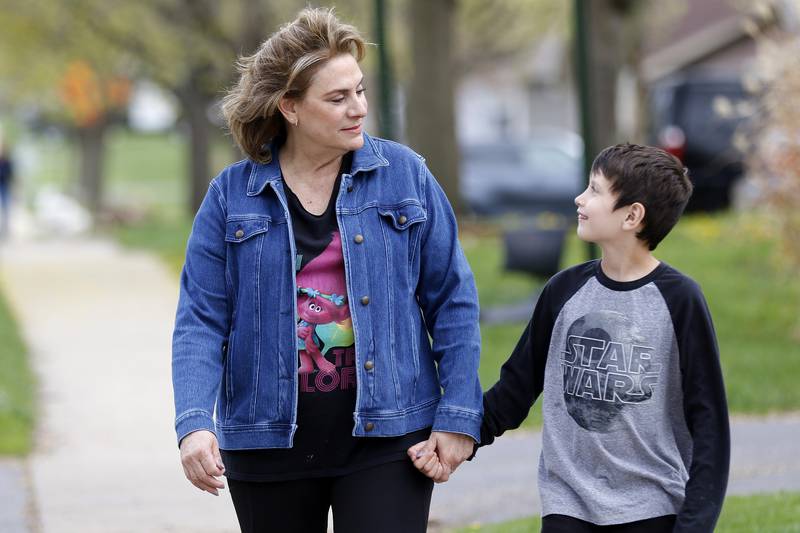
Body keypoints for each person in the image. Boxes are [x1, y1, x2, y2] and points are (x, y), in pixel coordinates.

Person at [171, 7, 482, 533]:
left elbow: (453, 298)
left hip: (390, 437)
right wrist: (193, 424)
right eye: (337, 98)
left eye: (359, 91)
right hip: (266, 441)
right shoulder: (231, 196)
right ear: (289, 107)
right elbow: (200, 319)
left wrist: (458, 417)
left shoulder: (405, 175)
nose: (357, 108)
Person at [410, 143, 730, 532]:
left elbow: (709, 424)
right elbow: (516, 388)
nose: (580, 198)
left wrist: (695, 525)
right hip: (568, 504)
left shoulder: (680, 300)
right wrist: (460, 437)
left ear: (632, 215)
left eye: (595, 190)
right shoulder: (563, 290)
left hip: (651, 507)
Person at [0, 141, 13, 238]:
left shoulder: (7, 161)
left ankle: (6, 229)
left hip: (5, 185)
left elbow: (11, 173)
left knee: (6, 207)